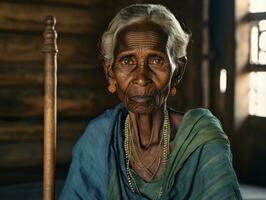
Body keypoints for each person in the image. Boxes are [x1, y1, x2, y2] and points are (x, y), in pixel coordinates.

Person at [59, 4, 242, 200]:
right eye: (127, 61)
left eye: (156, 60)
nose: (141, 77)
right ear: (110, 72)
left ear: (178, 71)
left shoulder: (202, 140)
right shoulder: (99, 138)